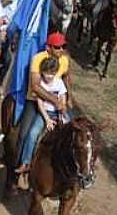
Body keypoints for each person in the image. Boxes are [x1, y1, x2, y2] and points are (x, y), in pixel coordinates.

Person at [15, 31, 71, 174]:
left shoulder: (64, 60)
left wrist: (66, 100)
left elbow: (65, 77)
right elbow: (35, 86)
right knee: (25, 133)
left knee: (72, 132)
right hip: (35, 101)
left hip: (57, 104)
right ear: (48, 48)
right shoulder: (38, 59)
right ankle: (21, 163)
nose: (61, 50)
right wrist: (54, 100)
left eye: (63, 46)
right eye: (57, 47)